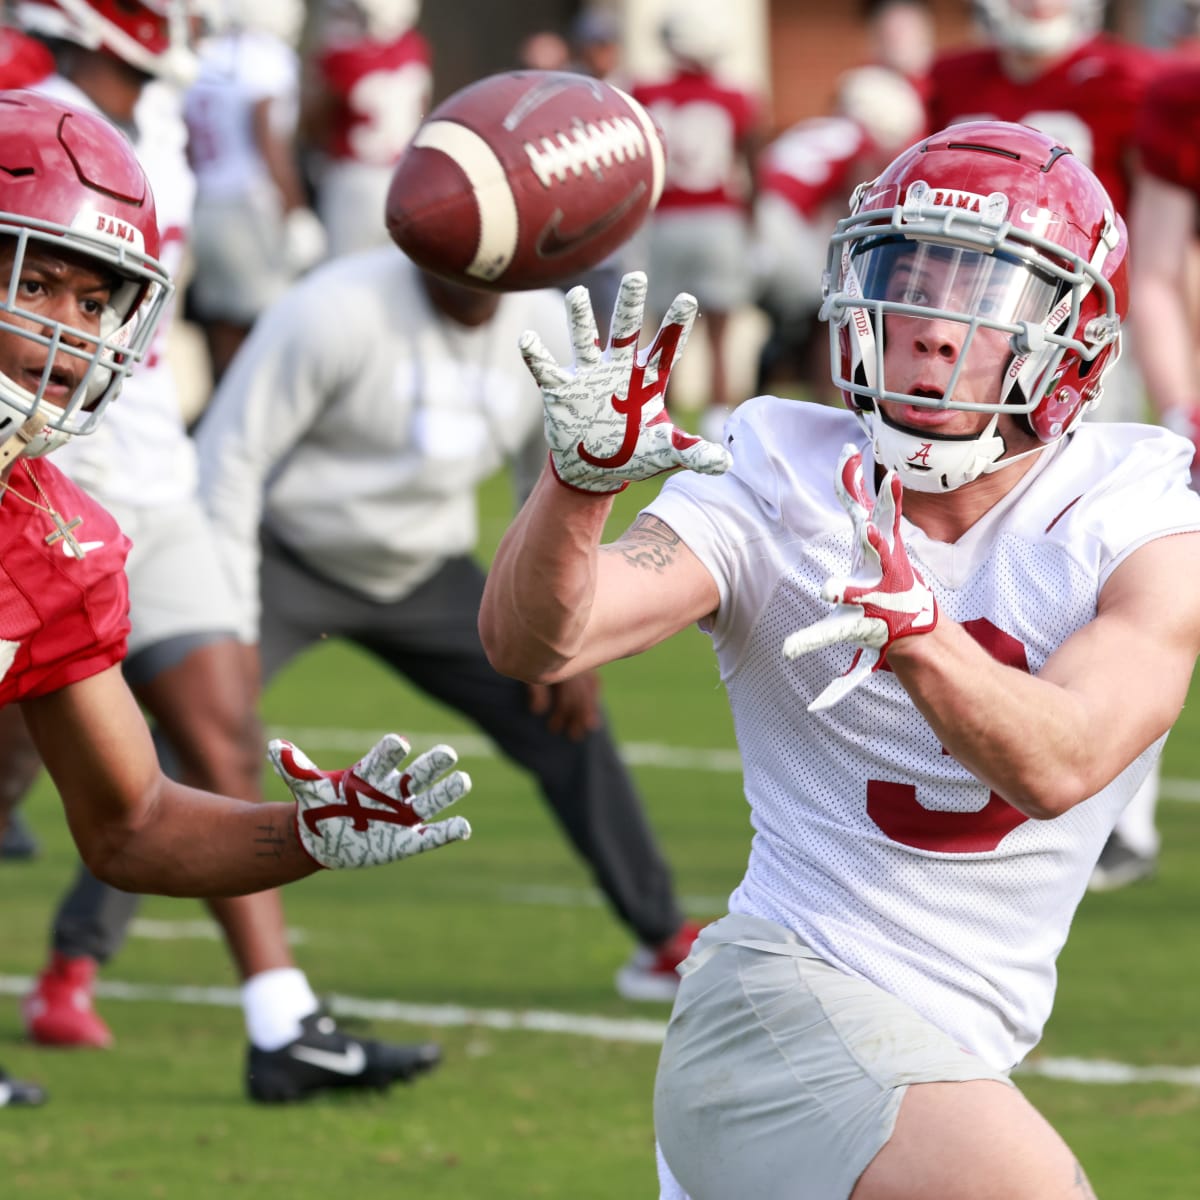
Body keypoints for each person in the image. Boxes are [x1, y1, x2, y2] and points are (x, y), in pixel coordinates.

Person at [478, 120, 1200, 1198]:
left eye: (981, 294)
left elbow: (1063, 759)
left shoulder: (1137, 517)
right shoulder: (779, 469)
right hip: (780, 1001)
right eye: (907, 281)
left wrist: (921, 637)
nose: (930, 329)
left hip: (937, 1056)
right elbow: (537, 637)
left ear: (1071, 337)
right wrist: (575, 489)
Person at [8, 0, 445, 1103]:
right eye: (34, 284)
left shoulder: (48, 534)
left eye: (95, 300)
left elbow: (137, 822)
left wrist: (310, 832)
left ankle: (278, 1014)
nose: (68, 334)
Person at [189, 244, 701, 1003]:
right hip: (290, 559)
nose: (475, 274)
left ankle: (661, 937)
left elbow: (549, 483)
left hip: (429, 571)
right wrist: (220, 621)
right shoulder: (335, 308)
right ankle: (74, 963)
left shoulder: (540, 325)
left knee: (565, 715)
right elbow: (229, 459)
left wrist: (568, 633)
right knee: (194, 731)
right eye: (459, 250)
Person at [929, 0, 1165, 892]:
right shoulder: (955, 79)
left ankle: (1120, 809)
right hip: (983, 341)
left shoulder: (1135, 81)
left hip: (1100, 335)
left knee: (1114, 562)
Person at [630, 1, 766, 443]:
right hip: (718, 218)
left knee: (667, 327)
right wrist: (754, 223)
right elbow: (751, 163)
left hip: (667, 219)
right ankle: (716, 416)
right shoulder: (736, 96)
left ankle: (658, 415)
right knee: (720, 329)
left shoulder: (645, 92)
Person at [752, 65, 926, 400]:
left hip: (756, 222)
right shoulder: (861, 140)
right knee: (832, 310)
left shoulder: (814, 128)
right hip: (786, 225)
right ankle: (826, 400)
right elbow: (857, 203)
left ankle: (757, 393)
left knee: (786, 322)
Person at [183, 0, 327, 384]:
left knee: (223, 327)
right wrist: (295, 210)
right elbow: (269, 142)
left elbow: (190, 141)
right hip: (248, 207)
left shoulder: (207, 54)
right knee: (268, 325)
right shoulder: (266, 58)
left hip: (205, 202)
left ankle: (221, 413)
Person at [300, 0, 431, 259]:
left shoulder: (341, 58)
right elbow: (422, 111)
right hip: (404, 176)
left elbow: (312, 125)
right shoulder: (414, 46)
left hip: (354, 180)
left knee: (345, 271)